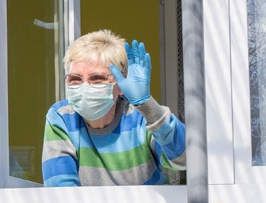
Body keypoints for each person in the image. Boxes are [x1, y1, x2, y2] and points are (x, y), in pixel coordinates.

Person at [42, 29, 186, 186]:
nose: (84, 86)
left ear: (122, 83)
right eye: (75, 79)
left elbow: (184, 159)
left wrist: (147, 105)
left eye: (97, 78)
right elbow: (61, 191)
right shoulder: (61, 117)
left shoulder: (141, 118)